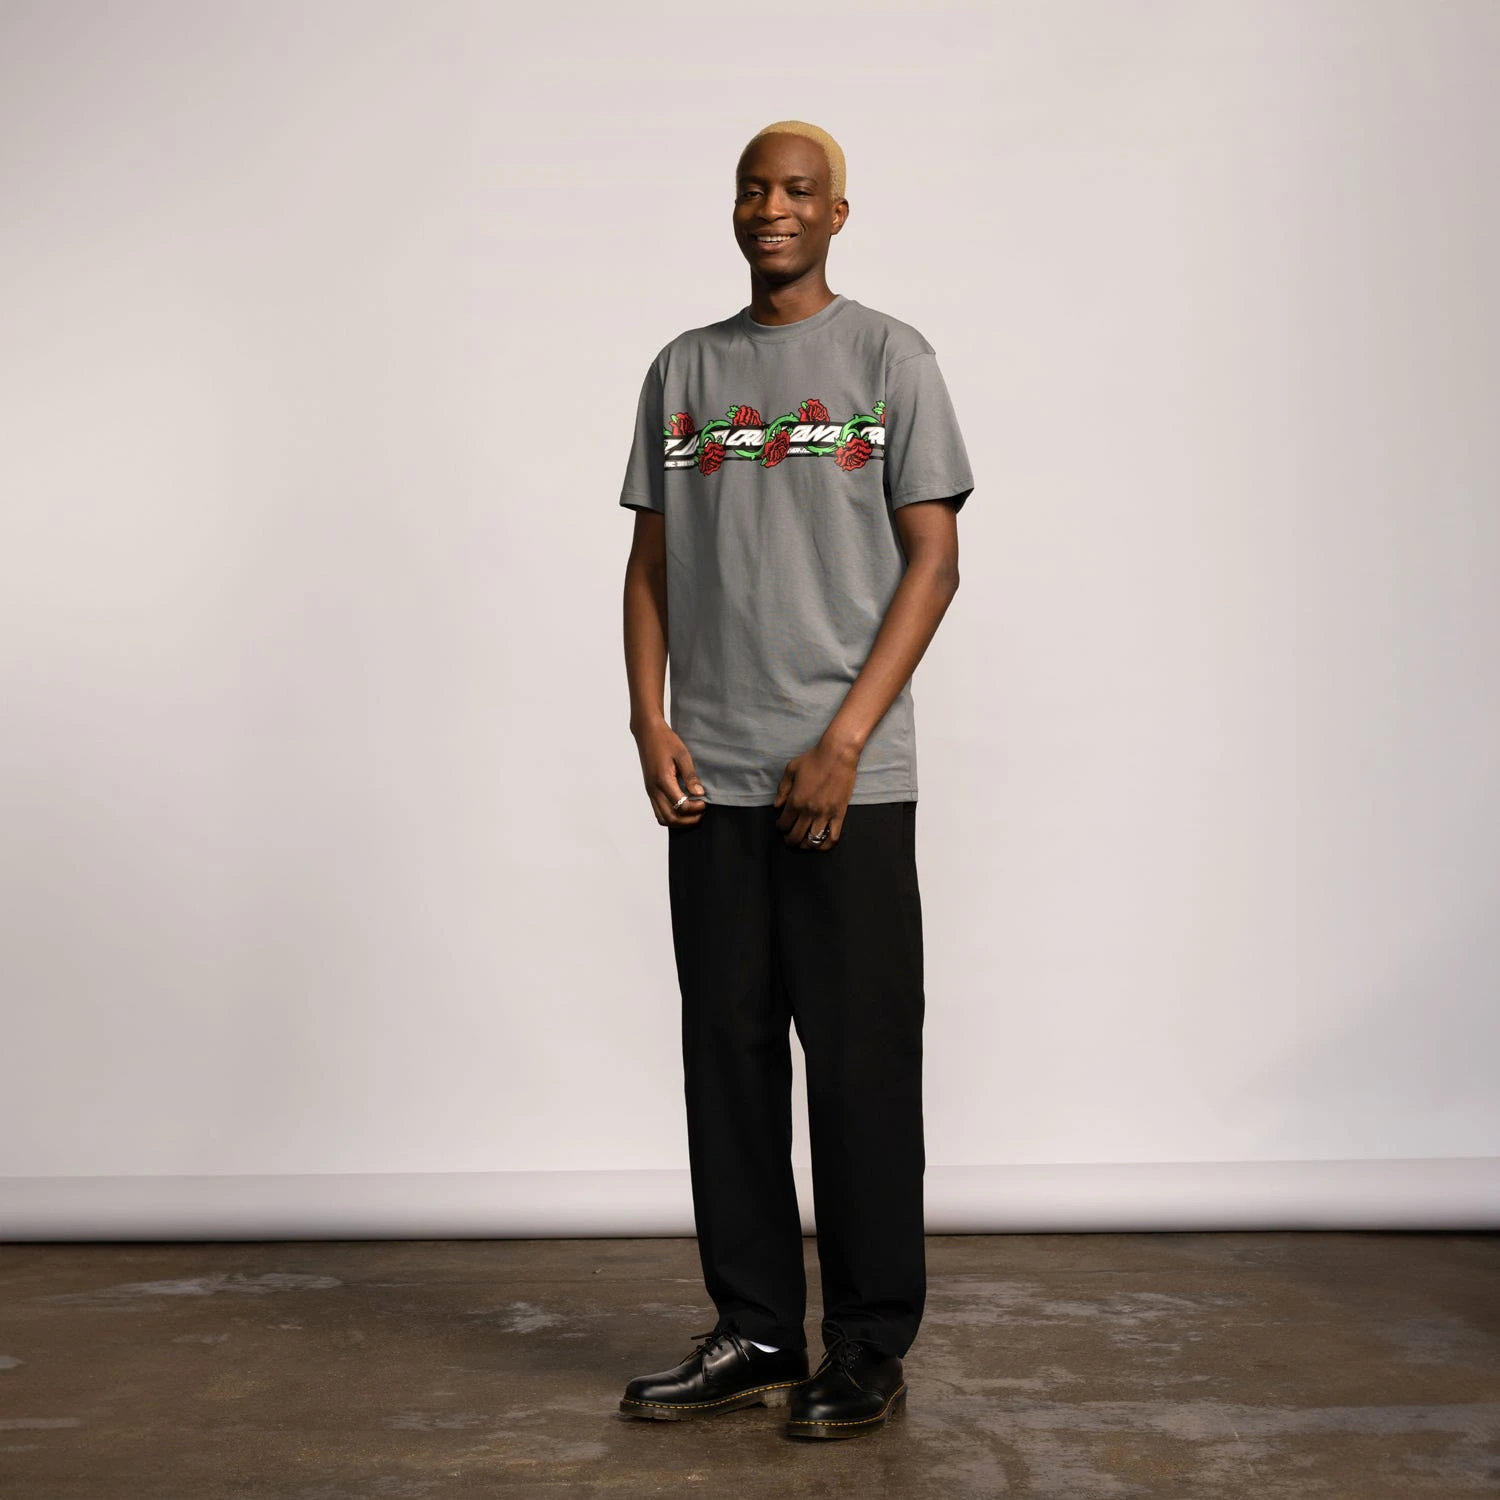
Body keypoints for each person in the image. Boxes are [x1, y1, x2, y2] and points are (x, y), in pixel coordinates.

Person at [615, 119, 974, 1441]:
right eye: (755, 189)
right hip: (712, 779)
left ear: (837, 214)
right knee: (728, 1059)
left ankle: (869, 1344)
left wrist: (844, 739)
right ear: (735, 209)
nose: (773, 207)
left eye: (799, 190)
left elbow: (934, 562)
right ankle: (758, 1328)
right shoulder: (683, 370)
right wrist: (649, 721)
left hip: (846, 784)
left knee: (862, 1068)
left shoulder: (890, 359)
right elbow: (651, 565)